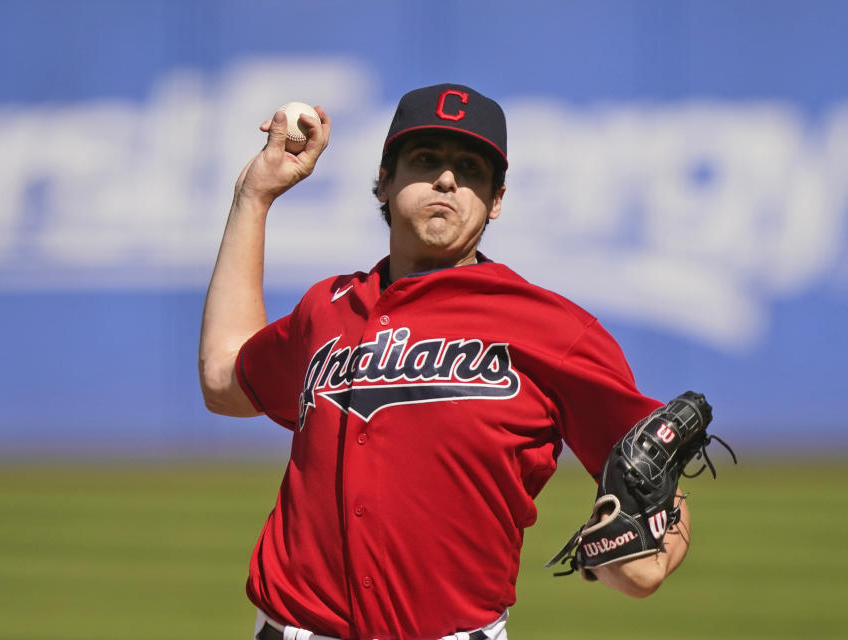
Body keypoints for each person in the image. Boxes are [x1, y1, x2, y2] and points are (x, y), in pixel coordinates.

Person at [199, 84, 691, 640]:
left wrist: (653, 557)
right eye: (426, 160)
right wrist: (252, 196)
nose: (448, 179)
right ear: (384, 179)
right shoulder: (326, 310)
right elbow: (223, 379)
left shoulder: (554, 329)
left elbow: (654, 471)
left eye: (470, 169)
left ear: (496, 199)